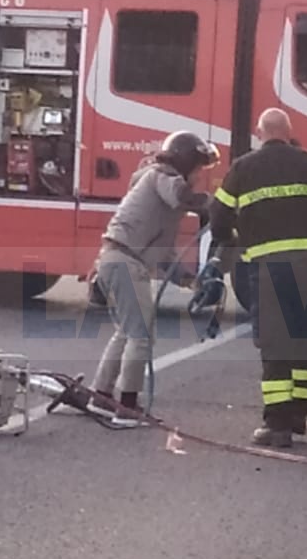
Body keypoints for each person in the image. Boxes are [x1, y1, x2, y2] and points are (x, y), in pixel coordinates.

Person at [208, 109, 307, 447]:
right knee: (303, 337)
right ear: (288, 132)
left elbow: (218, 214)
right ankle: (299, 413)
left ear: (260, 133)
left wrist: (228, 241)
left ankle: (277, 424)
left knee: (275, 342)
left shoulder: (243, 168)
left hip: (269, 265)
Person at [92, 131, 218, 417]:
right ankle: (126, 406)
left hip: (117, 259)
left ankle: (100, 395)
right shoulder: (163, 178)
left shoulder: (157, 188)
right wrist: (216, 204)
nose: (200, 176)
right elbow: (182, 195)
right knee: (141, 336)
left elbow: (164, 253)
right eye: (198, 168)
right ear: (185, 163)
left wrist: (187, 279)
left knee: (126, 332)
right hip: (126, 261)